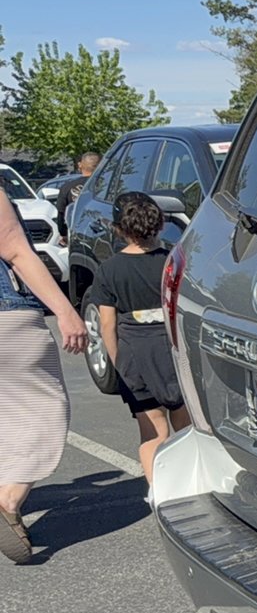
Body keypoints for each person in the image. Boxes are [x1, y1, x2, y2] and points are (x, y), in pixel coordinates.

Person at [0, 197, 87, 563]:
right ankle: (8, 500)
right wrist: (66, 310)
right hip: (7, 320)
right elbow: (15, 248)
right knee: (45, 408)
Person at [94, 191, 187, 493]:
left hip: (135, 355)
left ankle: (159, 492)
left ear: (118, 228)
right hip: (173, 351)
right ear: (160, 224)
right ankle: (192, 485)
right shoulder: (173, 261)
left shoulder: (109, 270)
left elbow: (107, 323)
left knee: (153, 435)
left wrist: (117, 360)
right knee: (186, 429)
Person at [55, 151, 101, 236]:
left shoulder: (67, 187)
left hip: (77, 233)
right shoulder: (107, 185)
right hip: (102, 231)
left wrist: (63, 234)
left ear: (80, 165)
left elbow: (61, 214)